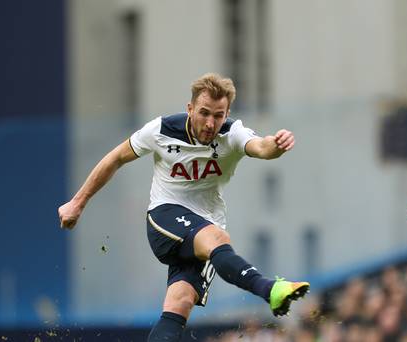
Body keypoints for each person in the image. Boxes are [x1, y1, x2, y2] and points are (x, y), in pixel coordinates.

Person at [58, 73, 310, 341]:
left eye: (218, 115)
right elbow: (116, 157)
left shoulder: (232, 133)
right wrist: (77, 202)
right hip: (164, 217)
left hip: (204, 226)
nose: (210, 123)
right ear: (189, 109)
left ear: (227, 114)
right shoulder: (162, 130)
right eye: (204, 113)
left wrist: (277, 145)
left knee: (180, 304)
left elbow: (261, 146)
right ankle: (269, 289)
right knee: (216, 238)